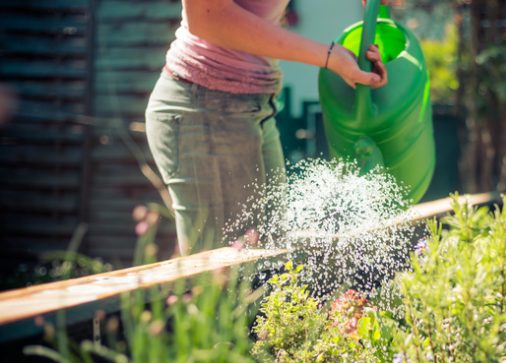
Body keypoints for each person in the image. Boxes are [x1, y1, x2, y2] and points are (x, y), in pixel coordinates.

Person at [146, 0, 389, 255]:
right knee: (226, 280)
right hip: (205, 106)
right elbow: (207, 17)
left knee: (269, 263)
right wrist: (330, 56)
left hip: (254, 106)